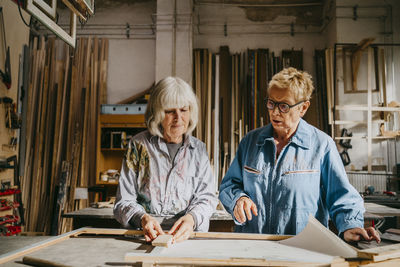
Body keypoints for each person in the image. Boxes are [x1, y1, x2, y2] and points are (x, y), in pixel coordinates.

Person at [219, 67, 380, 243]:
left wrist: (350, 226)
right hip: (253, 247)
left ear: (303, 107)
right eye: (271, 103)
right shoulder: (251, 142)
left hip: (303, 248)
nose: (274, 112)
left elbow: (341, 195)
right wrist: (238, 199)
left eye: (284, 106)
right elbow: (229, 185)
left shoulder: (321, 145)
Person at [114, 76, 218, 243]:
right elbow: (123, 200)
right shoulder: (138, 145)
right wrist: (142, 218)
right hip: (143, 236)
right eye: (170, 111)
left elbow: (207, 197)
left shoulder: (198, 150)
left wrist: (192, 218)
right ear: (157, 114)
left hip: (186, 237)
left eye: (184, 110)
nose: (178, 118)